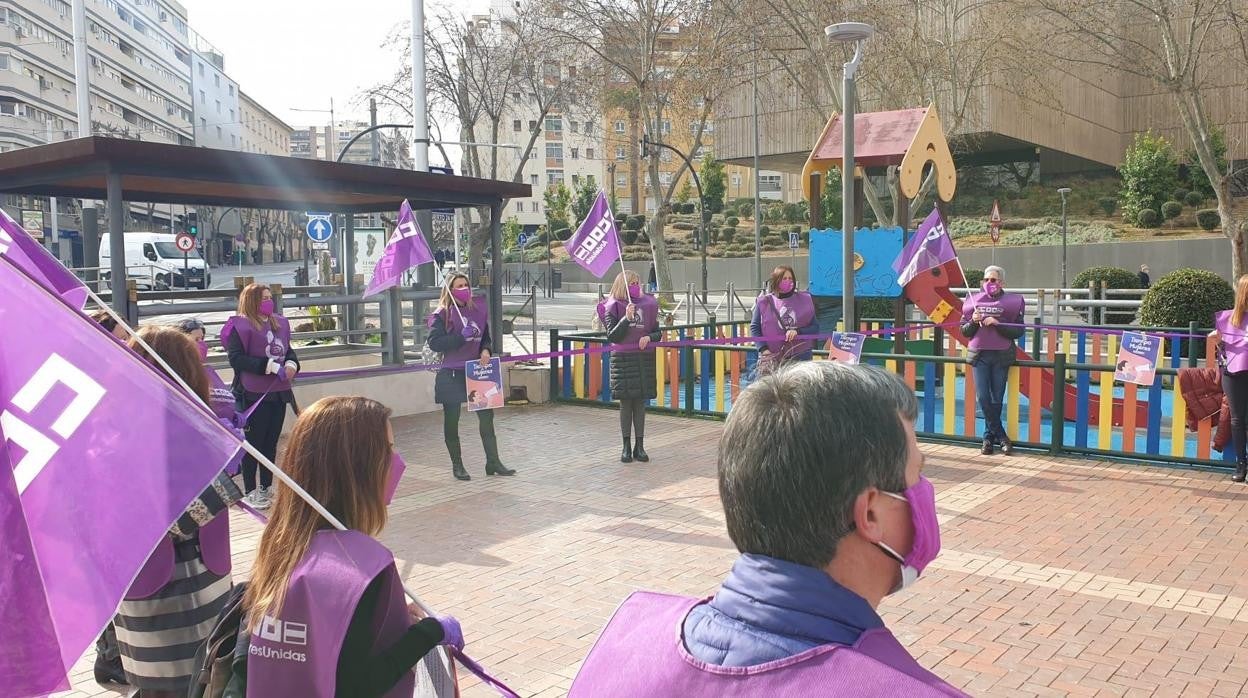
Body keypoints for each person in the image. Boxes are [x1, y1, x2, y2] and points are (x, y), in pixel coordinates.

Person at [570, 362, 963, 696]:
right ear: (871, 514)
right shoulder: (902, 688)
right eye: (919, 473)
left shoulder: (626, 642)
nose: (925, 494)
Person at [243, 396, 464, 697]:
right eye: (387, 450)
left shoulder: (279, 549)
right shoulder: (361, 569)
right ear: (357, 468)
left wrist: (394, 618)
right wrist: (431, 632)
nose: (397, 461)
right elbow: (360, 685)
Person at [118, 326, 241, 697]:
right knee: (182, 683)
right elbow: (166, 521)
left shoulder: (192, 427)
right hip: (167, 587)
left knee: (203, 675)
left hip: (204, 580)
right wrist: (225, 484)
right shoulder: (123, 437)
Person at [427, 273, 515, 481]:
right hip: (451, 373)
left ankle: (493, 461)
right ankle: (457, 465)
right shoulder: (441, 314)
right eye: (459, 285)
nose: (464, 288)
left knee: (487, 418)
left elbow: (485, 336)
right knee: (452, 420)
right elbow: (435, 343)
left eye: (466, 284)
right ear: (450, 289)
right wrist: (460, 338)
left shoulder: (477, 309)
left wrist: (486, 350)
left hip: (477, 371)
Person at [224, 283, 300, 509]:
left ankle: (266, 486)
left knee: (270, 444)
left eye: (269, 297)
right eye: (263, 298)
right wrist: (266, 366)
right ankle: (250, 490)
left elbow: (289, 350)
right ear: (251, 301)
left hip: (278, 394)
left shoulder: (279, 324)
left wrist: (291, 364)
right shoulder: (240, 326)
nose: (268, 301)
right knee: (253, 445)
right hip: (252, 395)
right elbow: (236, 359)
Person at [961, 265, 1025, 456]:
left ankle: (988, 439)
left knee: (997, 398)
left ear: (1001, 282)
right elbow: (964, 331)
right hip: (979, 356)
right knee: (983, 397)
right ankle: (1002, 437)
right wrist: (973, 320)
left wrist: (998, 324)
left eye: (994, 280)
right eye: (987, 279)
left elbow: (1019, 330)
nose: (989, 283)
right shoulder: (972, 301)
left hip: (1001, 355)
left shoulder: (1013, 302)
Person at [598, 270, 661, 463]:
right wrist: (626, 318)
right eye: (631, 283)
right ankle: (625, 446)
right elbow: (612, 336)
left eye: (637, 282)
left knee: (640, 402)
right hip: (622, 360)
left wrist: (648, 337)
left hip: (644, 358)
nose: (636, 285)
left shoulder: (649, 305)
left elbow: (658, 332)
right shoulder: (612, 306)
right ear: (622, 285)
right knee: (626, 403)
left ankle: (639, 446)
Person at [1210, 275, 1248, 482]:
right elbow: (1216, 340)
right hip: (1233, 372)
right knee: (1237, 419)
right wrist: (1216, 339)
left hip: (1235, 372)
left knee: (1239, 420)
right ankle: (1241, 464)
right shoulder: (1228, 319)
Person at [750, 264, 820, 373]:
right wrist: (763, 349)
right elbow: (755, 328)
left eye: (790, 278)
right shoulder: (764, 302)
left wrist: (798, 331)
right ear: (777, 280)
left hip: (800, 358)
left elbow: (815, 327)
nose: (788, 281)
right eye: (784, 278)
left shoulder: (805, 300)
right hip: (772, 358)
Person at [176, 317, 236, 422]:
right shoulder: (179, 374)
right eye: (196, 340)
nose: (201, 344)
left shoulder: (207, 371)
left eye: (202, 339)